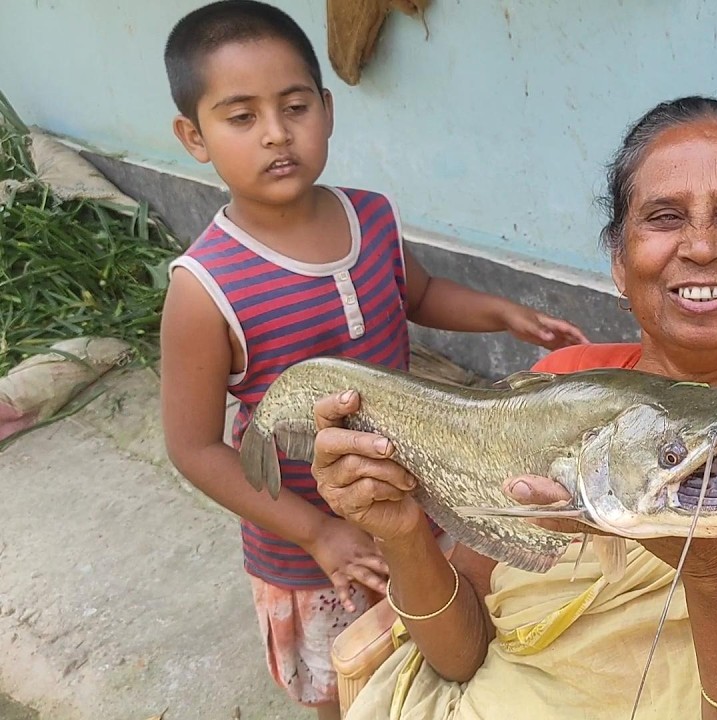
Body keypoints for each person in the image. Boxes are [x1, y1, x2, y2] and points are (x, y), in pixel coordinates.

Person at [309, 96, 717, 719]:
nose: (702, 247)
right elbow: (461, 654)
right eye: (665, 217)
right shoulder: (555, 390)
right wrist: (403, 534)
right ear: (620, 262)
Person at [156, 3, 588, 718]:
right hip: (311, 550)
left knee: (444, 647)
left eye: (294, 106)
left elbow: (419, 293)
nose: (275, 133)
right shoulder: (204, 290)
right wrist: (318, 529)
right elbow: (194, 447)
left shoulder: (371, 217)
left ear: (326, 110)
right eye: (241, 117)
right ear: (193, 137)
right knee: (348, 687)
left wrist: (503, 313)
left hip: (415, 497)